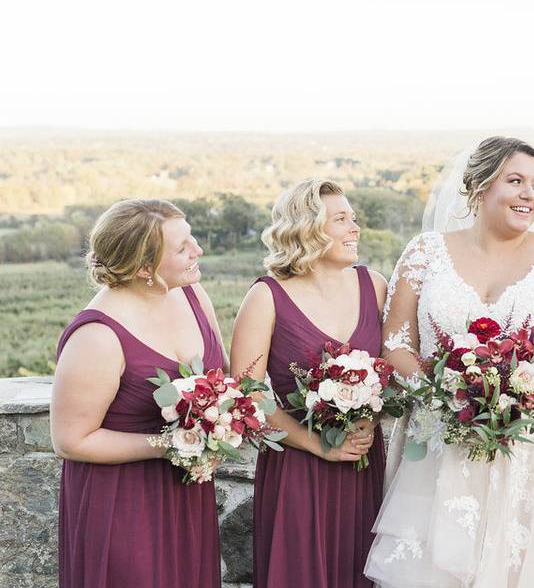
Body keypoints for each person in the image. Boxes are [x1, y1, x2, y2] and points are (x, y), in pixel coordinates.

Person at [365, 136, 534, 587]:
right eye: (516, 181)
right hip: (444, 440)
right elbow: (398, 343)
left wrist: (530, 401)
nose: (531, 195)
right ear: (479, 186)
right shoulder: (425, 254)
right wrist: (444, 394)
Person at [51, 199, 223, 588]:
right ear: (144, 268)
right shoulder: (97, 336)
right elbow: (71, 440)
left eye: (191, 237)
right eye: (182, 248)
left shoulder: (193, 295)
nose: (198, 250)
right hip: (122, 503)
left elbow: (219, 383)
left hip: (186, 495)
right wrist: (168, 444)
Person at [230, 179, 388, 587]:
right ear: (307, 229)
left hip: (363, 461)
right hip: (297, 467)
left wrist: (368, 422)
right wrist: (318, 444)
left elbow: (394, 374)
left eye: (353, 218)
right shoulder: (266, 297)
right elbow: (247, 394)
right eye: (341, 220)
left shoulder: (375, 285)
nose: (355, 228)